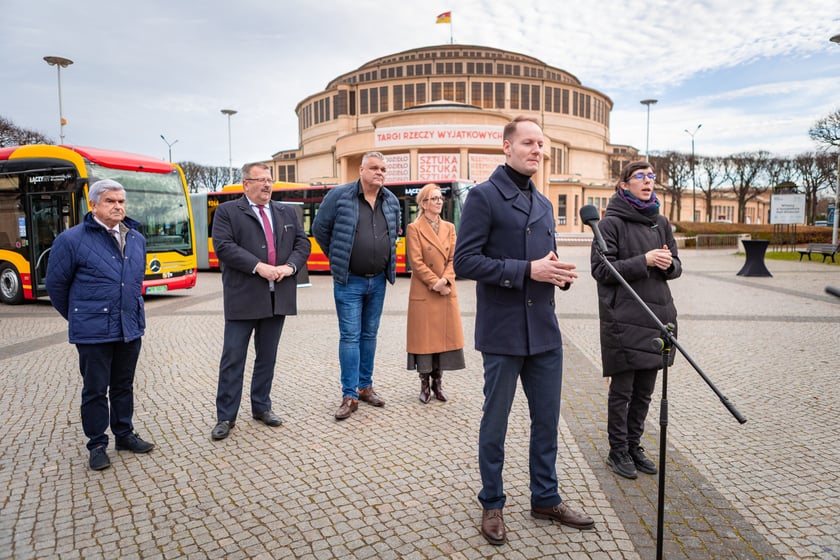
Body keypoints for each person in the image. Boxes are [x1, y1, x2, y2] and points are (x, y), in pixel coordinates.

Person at [453, 116, 595, 545]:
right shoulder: (483, 197)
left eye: (541, 144)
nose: (537, 150)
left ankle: (545, 497)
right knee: (495, 422)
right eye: (528, 143)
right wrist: (528, 270)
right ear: (507, 147)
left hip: (544, 331)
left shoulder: (545, 204)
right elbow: (465, 262)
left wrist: (557, 274)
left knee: (547, 421)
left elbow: (543, 260)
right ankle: (492, 502)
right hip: (503, 331)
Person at [46, 179, 154, 471]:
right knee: (95, 390)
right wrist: (81, 317)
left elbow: (135, 281)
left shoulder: (135, 238)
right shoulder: (71, 240)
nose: (118, 206)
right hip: (93, 331)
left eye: (121, 201)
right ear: (93, 204)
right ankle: (96, 444)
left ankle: (124, 434)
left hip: (129, 326)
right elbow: (56, 286)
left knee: (123, 385)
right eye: (110, 201)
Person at [590, 161, 681, 479]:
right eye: (640, 176)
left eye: (652, 176)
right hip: (624, 317)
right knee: (624, 390)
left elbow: (677, 266)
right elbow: (601, 270)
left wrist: (668, 263)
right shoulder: (609, 223)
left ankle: (634, 444)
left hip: (658, 315)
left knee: (645, 391)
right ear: (624, 184)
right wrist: (644, 260)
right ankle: (618, 450)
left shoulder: (661, 222)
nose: (648, 181)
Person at [210, 162, 311, 441]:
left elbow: (303, 244)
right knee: (233, 358)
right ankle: (225, 416)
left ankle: (261, 407)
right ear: (245, 183)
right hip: (243, 298)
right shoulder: (228, 212)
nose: (267, 185)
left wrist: (290, 267)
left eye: (269, 180)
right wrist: (259, 266)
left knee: (267, 357)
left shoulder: (286, 211)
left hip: (277, 297)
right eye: (260, 180)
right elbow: (224, 247)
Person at [312, 151, 401, 420]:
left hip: (378, 281)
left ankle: (365, 387)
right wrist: (340, 257)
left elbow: (393, 234)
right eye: (374, 168)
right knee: (350, 337)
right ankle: (349, 395)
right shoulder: (339, 196)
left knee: (369, 336)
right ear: (361, 170)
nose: (380, 173)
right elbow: (320, 229)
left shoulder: (392, 200)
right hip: (349, 280)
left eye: (384, 169)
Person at [405, 183, 465, 403]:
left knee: (443, 338)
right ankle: (424, 383)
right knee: (425, 340)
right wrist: (436, 283)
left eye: (440, 198)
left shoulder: (449, 227)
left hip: (446, 290)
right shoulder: (414, 228)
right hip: (426, 291)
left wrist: (446, 280)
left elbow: (453, 258)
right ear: (423, 203)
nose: (439, 201)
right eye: (434, 198)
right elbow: (416, 262)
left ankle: (437, 383)